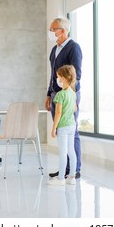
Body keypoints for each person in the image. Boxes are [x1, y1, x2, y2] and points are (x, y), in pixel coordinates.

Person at [45, 17, 82, 179]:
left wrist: (70, 97)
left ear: (63, 30)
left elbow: (77, 75)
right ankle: (64, 168)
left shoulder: (73, 48)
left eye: (53, 29)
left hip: (68, 95)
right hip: (56, 94)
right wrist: (49, 93)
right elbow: (53, 75)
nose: (50, 31)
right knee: (61, 131)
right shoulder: (55, 49)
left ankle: (74, 169)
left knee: (71, 131)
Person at [47, 65, 77, 186]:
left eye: (58, 77)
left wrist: (54, 128)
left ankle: (60, 179)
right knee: (71, 151)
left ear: (64, 78)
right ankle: (72, 177)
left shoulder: (60, 94)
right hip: (72, 125)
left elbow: (58, 113)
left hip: (63, 127)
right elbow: (74, 108)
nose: (57, 79)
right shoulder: (72, 93)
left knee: (63, 152)